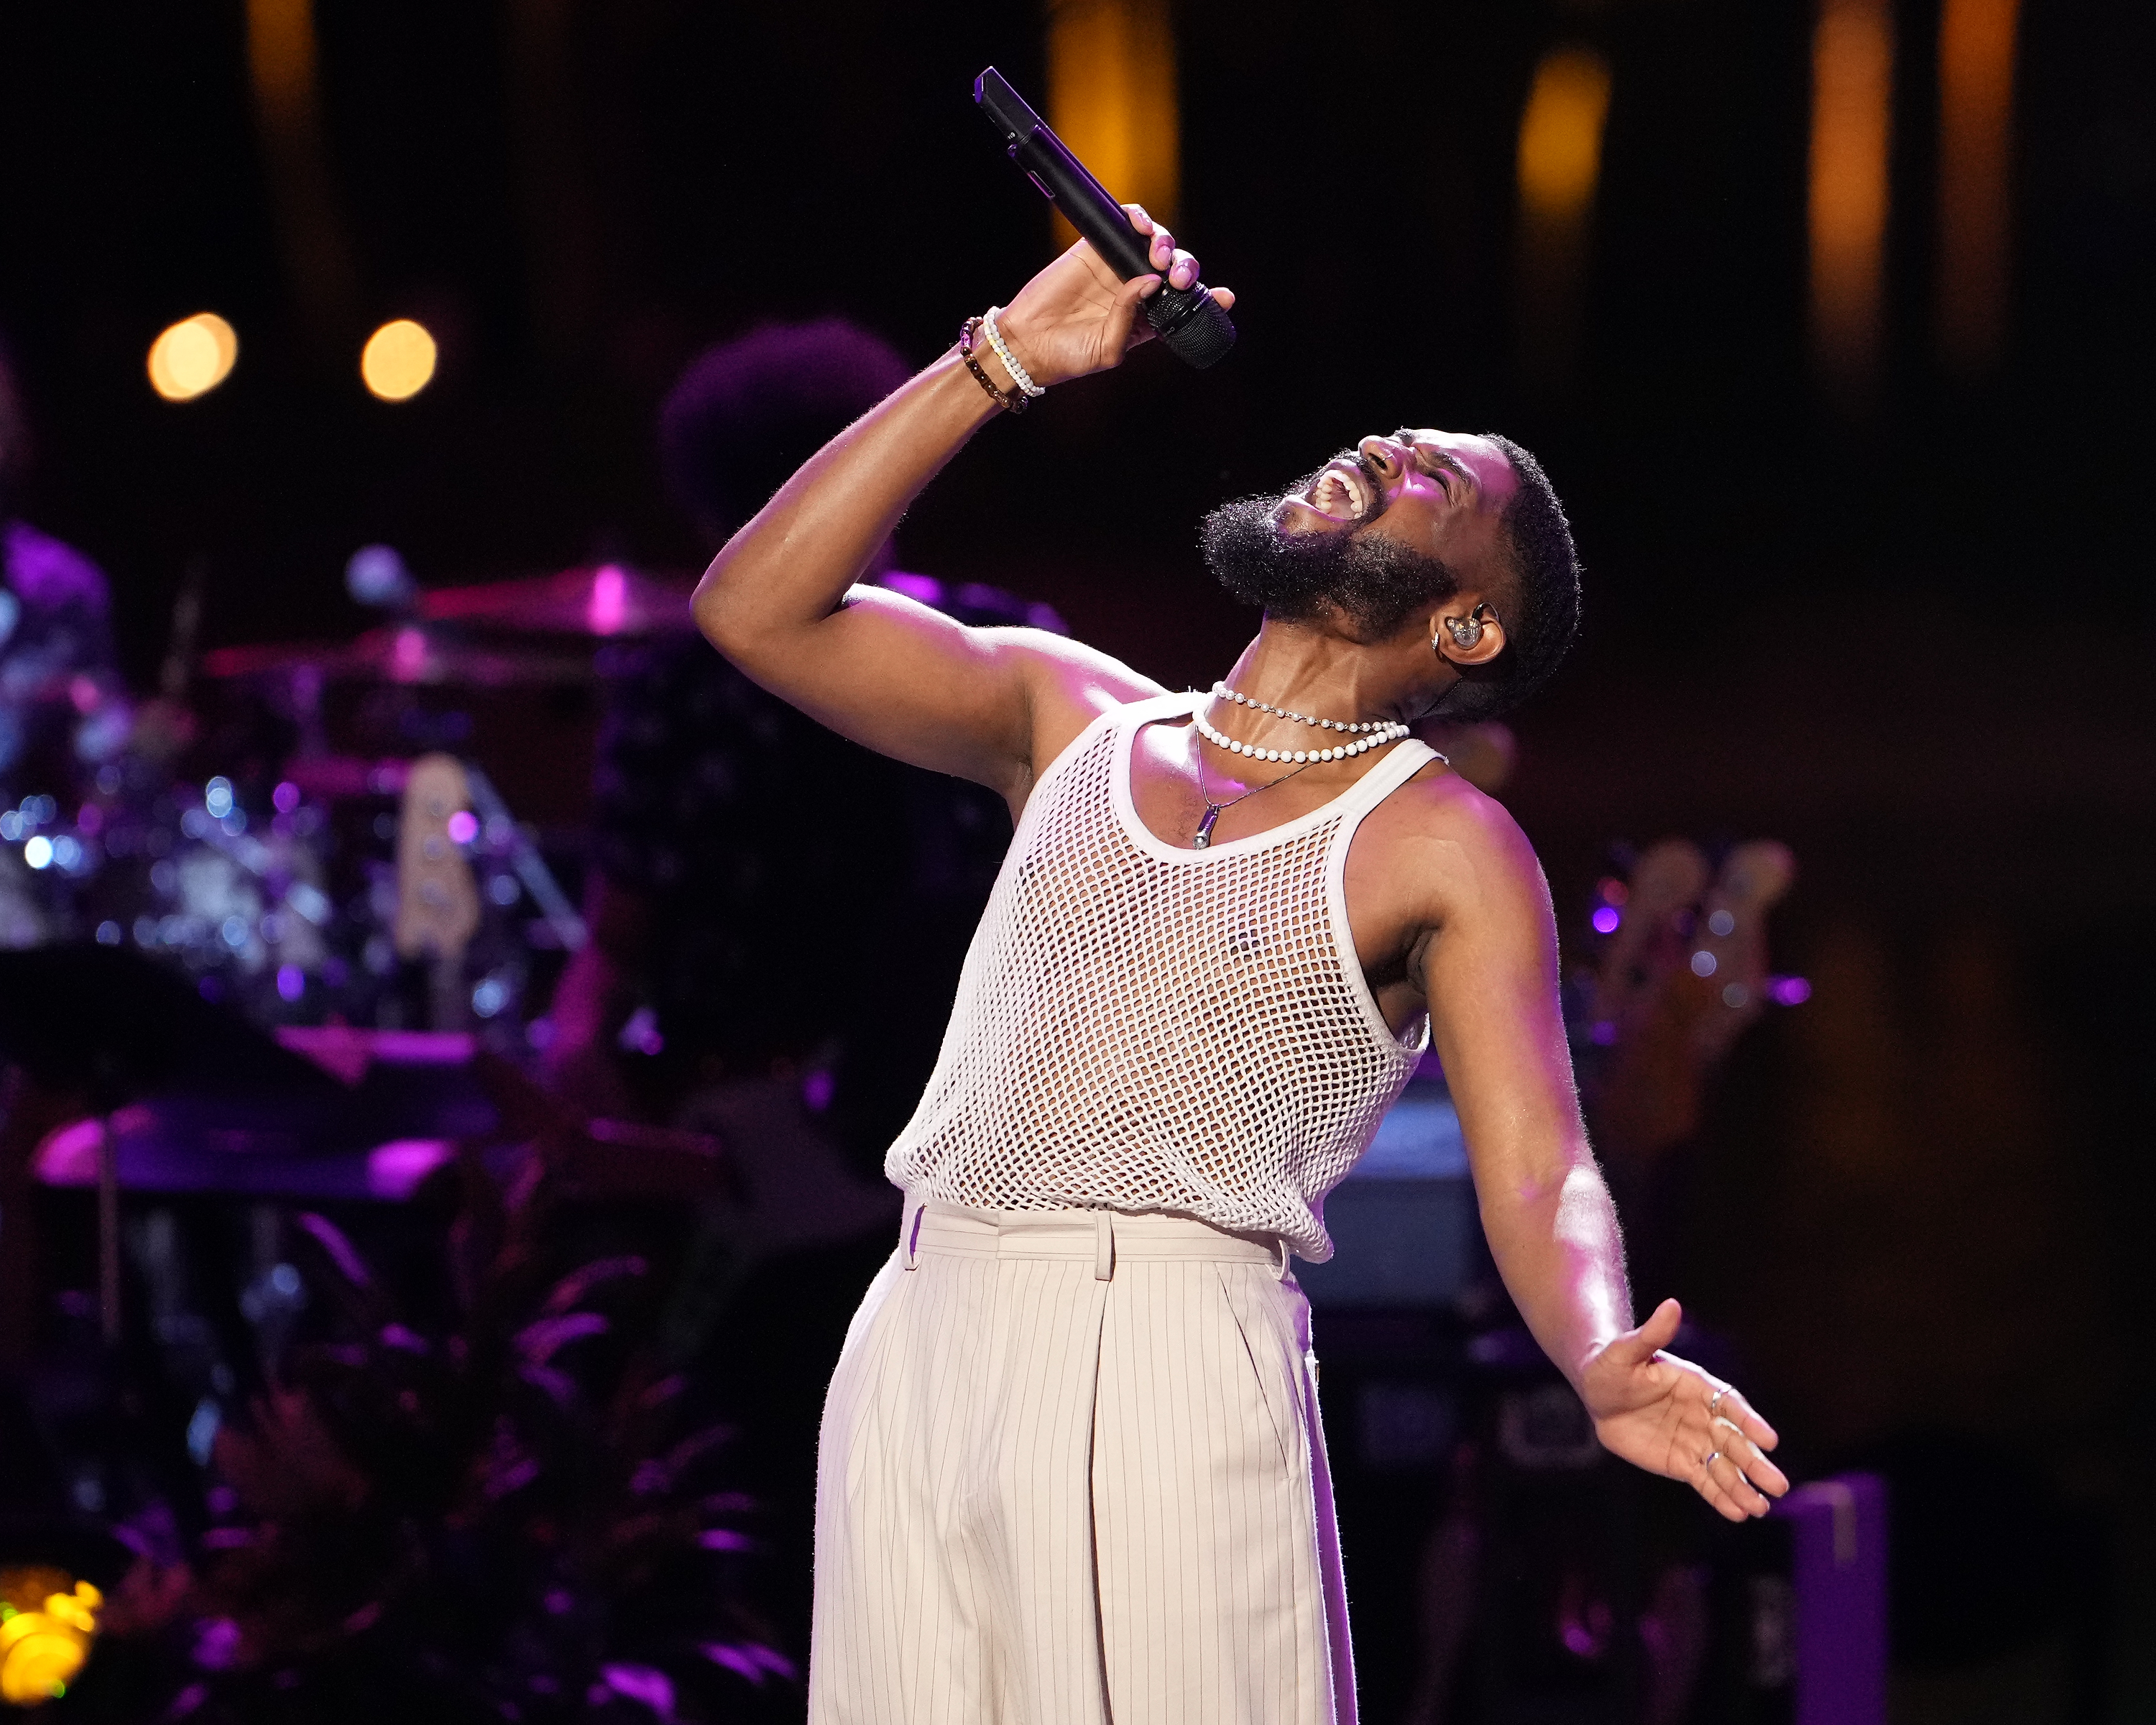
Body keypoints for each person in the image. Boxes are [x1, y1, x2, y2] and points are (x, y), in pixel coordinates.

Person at [691, 213, 1790, 1724]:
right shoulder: (1070, 716)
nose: (1392, 444)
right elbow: (753, 609)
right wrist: (1005, 358)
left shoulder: (1441, 844)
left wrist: (1599, 1352)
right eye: (1396, 435)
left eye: (1441, 478)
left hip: (1170, 1359)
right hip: (924, 1330)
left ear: (1467, 621)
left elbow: (1539, 1170)